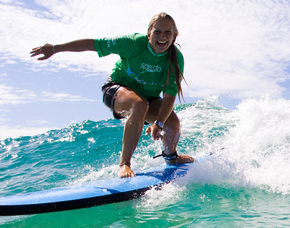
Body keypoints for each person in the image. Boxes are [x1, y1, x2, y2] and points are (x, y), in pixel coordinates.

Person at [31, 12, 194, 178]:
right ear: (149, 34)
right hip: (116, 90)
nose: (162, 37)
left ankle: (171, 157)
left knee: (172, 123)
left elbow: (169, 97)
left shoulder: (175, 59)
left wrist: (158, 123)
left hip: (148, 98)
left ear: (174, 35)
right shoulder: (132, 43)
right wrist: (55, 48)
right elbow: (93, 44)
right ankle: (125, 164)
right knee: (139, 104)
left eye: (168, 32)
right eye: (157, 31)